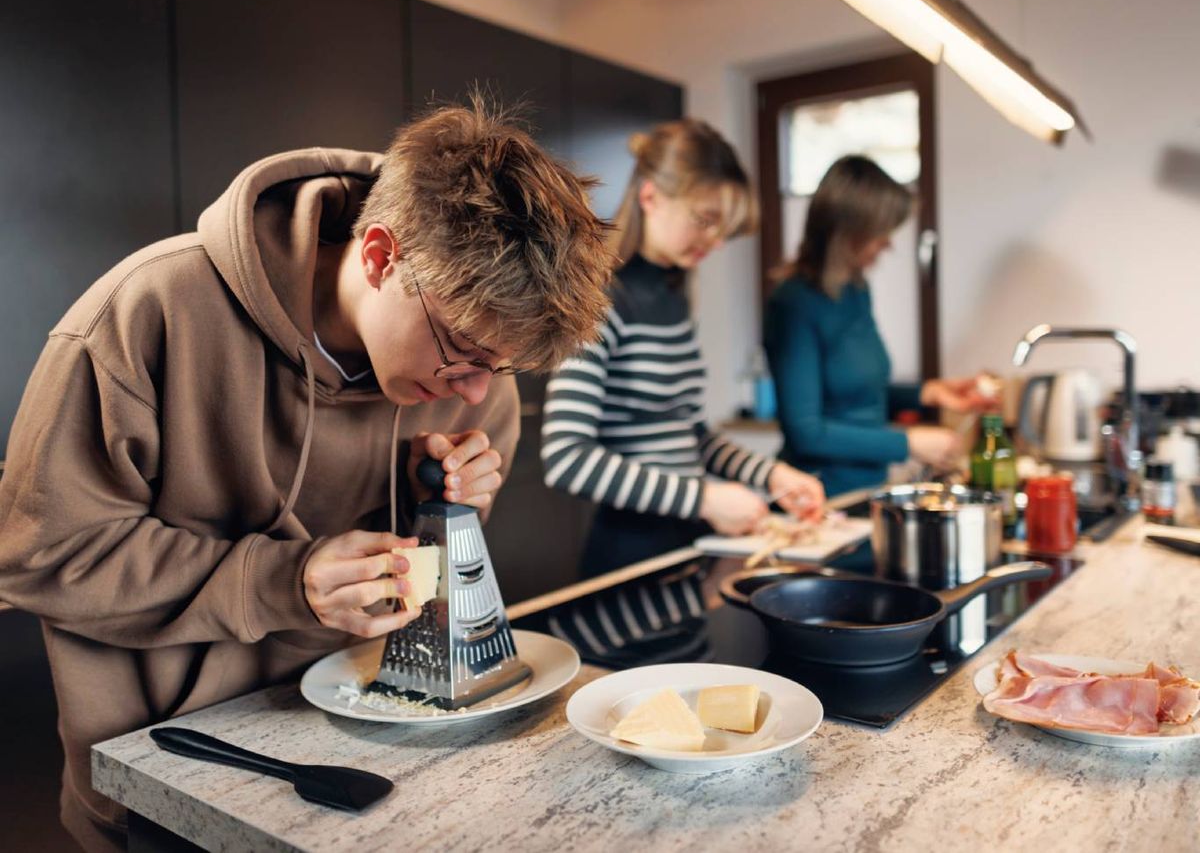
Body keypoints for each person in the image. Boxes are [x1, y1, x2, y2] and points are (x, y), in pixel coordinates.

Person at [0, 99, 613, 851]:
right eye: (463, 351)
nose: (478, 392)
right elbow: (40, 556)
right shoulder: (147, 312)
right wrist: (285, 582)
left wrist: (447, 505)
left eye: (502, 366)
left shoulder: (471, 371)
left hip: (376, 746)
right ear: (381, 257)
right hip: (174, 764)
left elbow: (419, 586)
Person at [541, 119, 824, 578]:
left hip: (683, 548)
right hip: (628, 560)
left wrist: (769, 474)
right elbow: (566, 458)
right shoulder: (603, 301)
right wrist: (704, 498)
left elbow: (689, 434)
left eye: (723, 228)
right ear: (651, 197)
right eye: (705, 220)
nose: (715, 240)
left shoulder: (672, 298)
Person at [765, 155, 996, 498]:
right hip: (817, 494)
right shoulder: (793, 304)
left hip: (867, 488)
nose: (888, 243)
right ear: (849, 233)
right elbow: (806, 432)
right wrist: (908, 443)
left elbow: (857, 395)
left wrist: (928, 393)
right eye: (881, 233)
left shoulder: (855, 291)